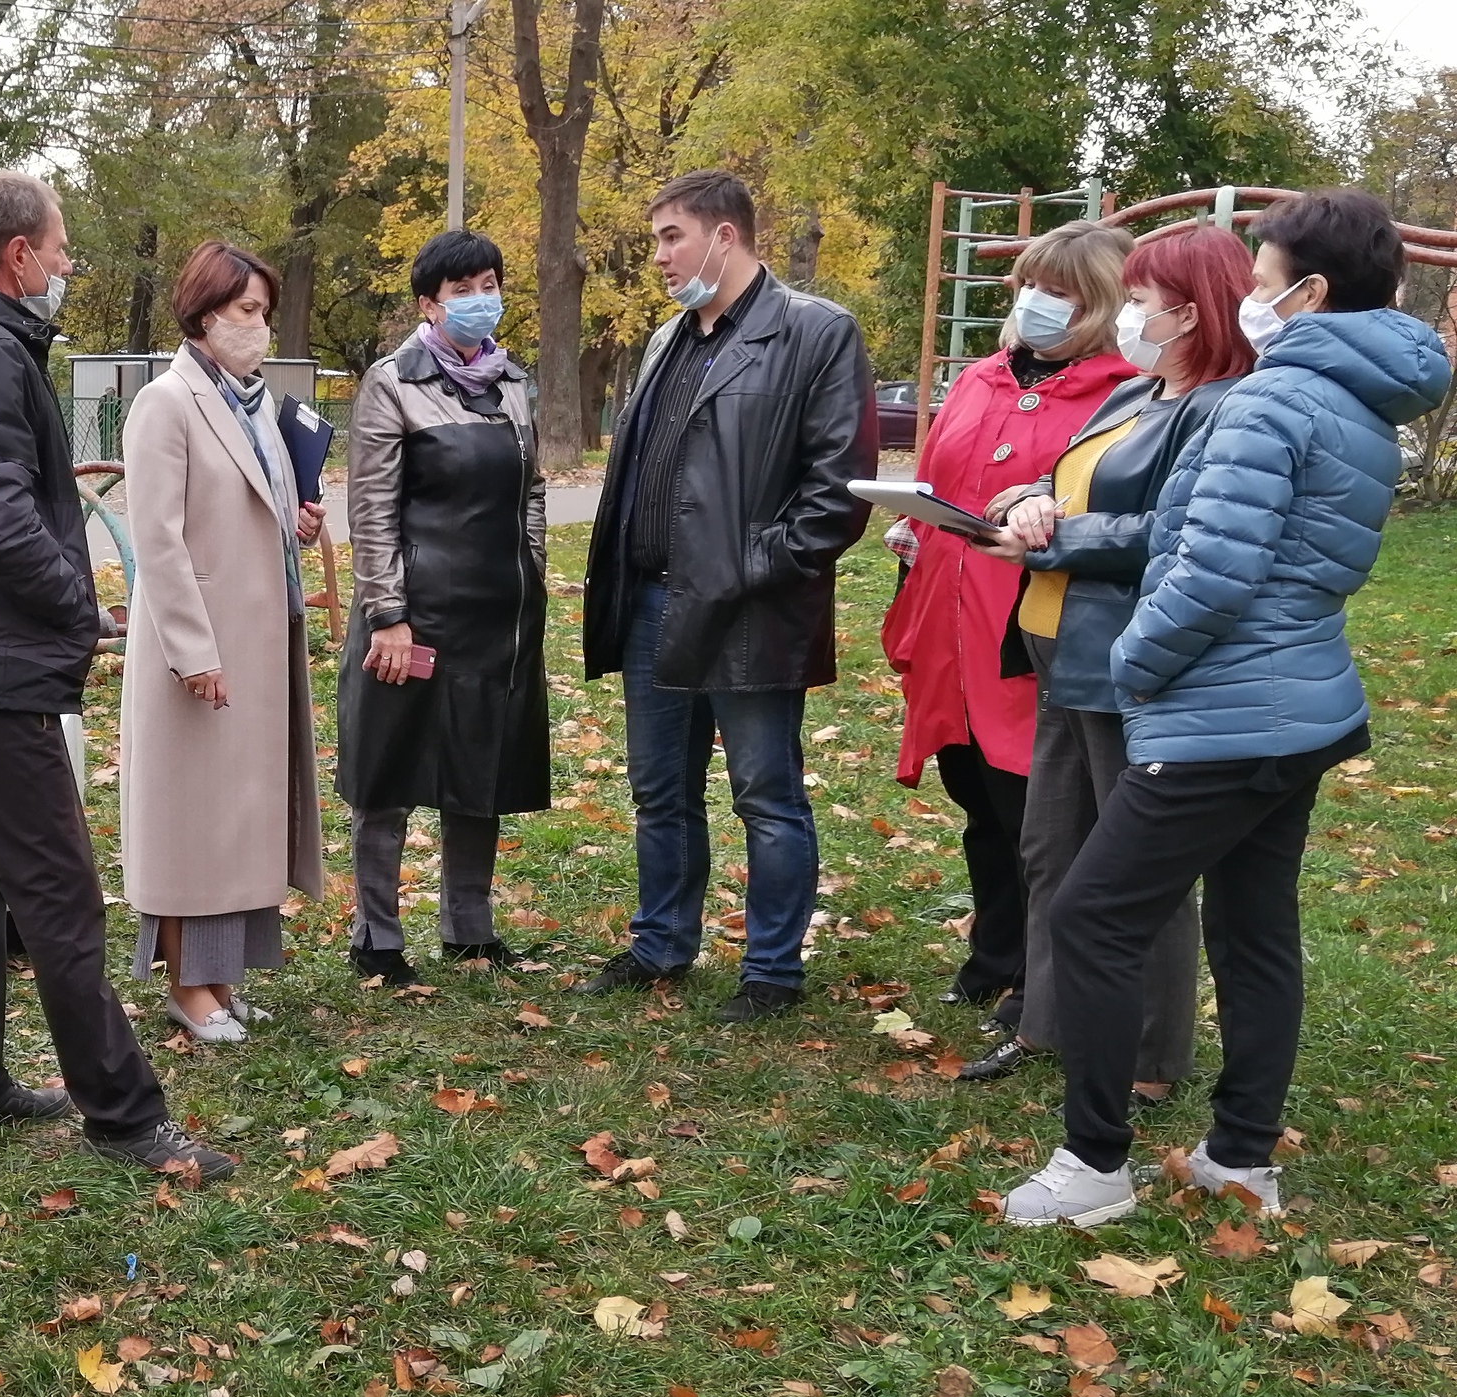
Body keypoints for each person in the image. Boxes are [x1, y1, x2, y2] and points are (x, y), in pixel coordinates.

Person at [1003, 188, 1450, 1227]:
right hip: (1303, 706)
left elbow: (1209, 573)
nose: (1245, 298)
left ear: (1308, 293)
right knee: (1254, 931)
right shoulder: (1356, 399)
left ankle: (1093, 1162)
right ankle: (1239, 1155)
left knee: (1093, 914)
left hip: (1224, 714)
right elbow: (1232, 534)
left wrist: (1136, 665)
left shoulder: (1267, 401)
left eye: (1257, 280)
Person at [0, 170, 232, 1179]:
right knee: (60, 898)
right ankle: (124, 1116)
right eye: (60, 245)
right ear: (16, 254)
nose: (68, 264)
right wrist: (80, 609)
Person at [958, 223, 1255, 1089]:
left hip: (1131, 663)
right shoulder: (1138, 395)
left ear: (1191, 311)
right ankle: (1048, 1024)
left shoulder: (1222, 406)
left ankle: (1150, 1057)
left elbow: (1178, 530)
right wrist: (1024, 500)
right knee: (1053, 852)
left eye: (1136, 300)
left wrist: (1057, 539)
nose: (1125, 315)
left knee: (1137, 874)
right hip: (1058, 651)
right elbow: (1065, 478)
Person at [578, 169, 876, 1020]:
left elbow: (838, 494)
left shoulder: (816, 333)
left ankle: (772, 971)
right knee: (659, 790)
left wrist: (746, 567)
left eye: (671, 237)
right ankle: (662, 942)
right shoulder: (671, 338)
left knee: (765, 795)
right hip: (649, 606)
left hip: (748, 610)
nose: (661, 258)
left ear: (724, 235)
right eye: (657, 242)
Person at [879, 220, 1135, 1032]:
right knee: (977, 802)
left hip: (1028, 628)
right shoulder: (982, 377)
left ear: (1099, 304)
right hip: (947, 618)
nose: (1037, 302)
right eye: (1030, 283)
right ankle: (993, 954)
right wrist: (910, 521)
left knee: (1038, 810)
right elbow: (942, 474)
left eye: (1059, 290)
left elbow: (1105, 508)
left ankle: (1042, 978)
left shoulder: (1119, 393)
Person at [118, 241, 325, 1042]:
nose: (260, 328)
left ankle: (224, 978)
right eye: (247, 312)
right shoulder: (164, 404)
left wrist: (298, 525)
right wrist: (193, 652)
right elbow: (157, 541)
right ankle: (188, 987)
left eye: (264, 312)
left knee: (242, 819)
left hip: (261, 641)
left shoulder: (257, 406)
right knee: (190, 828)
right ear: (206, 314)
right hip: (197, 655)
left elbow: (257, 515)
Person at [337, 229, 546, 988]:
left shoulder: (514, 384)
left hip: (498, 614)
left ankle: (470, 928)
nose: (479, 299)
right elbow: (371, 510)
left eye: (488, 282)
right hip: (413, 614)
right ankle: (378, 937)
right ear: (429, 303)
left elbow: (532, 493)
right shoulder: (392, 382)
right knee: (388, 770)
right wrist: (388, 612)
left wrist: (532, 576)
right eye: (461, 289)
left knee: (479, 766)